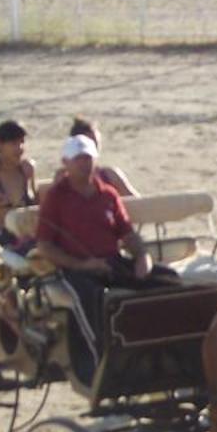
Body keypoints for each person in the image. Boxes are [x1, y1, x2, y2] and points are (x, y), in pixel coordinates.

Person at [34, 135, 169, 382]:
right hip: (74, 270)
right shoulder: (56, 197)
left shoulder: (108, 194)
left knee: (167, 280)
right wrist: (82, 264)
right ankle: (103, 371)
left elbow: (127, 233)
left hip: (111, 261)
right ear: (66, 163)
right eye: (79, 159)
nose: (85, 164)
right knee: (93, 303)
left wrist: (142, 257)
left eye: (88, 159)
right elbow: (44, 246)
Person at [67, 117, 138, 197]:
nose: (94, 149)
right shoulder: (64, 179)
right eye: (89, 145)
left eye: (96, 144)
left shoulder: (110, 176)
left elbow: (139, 204)